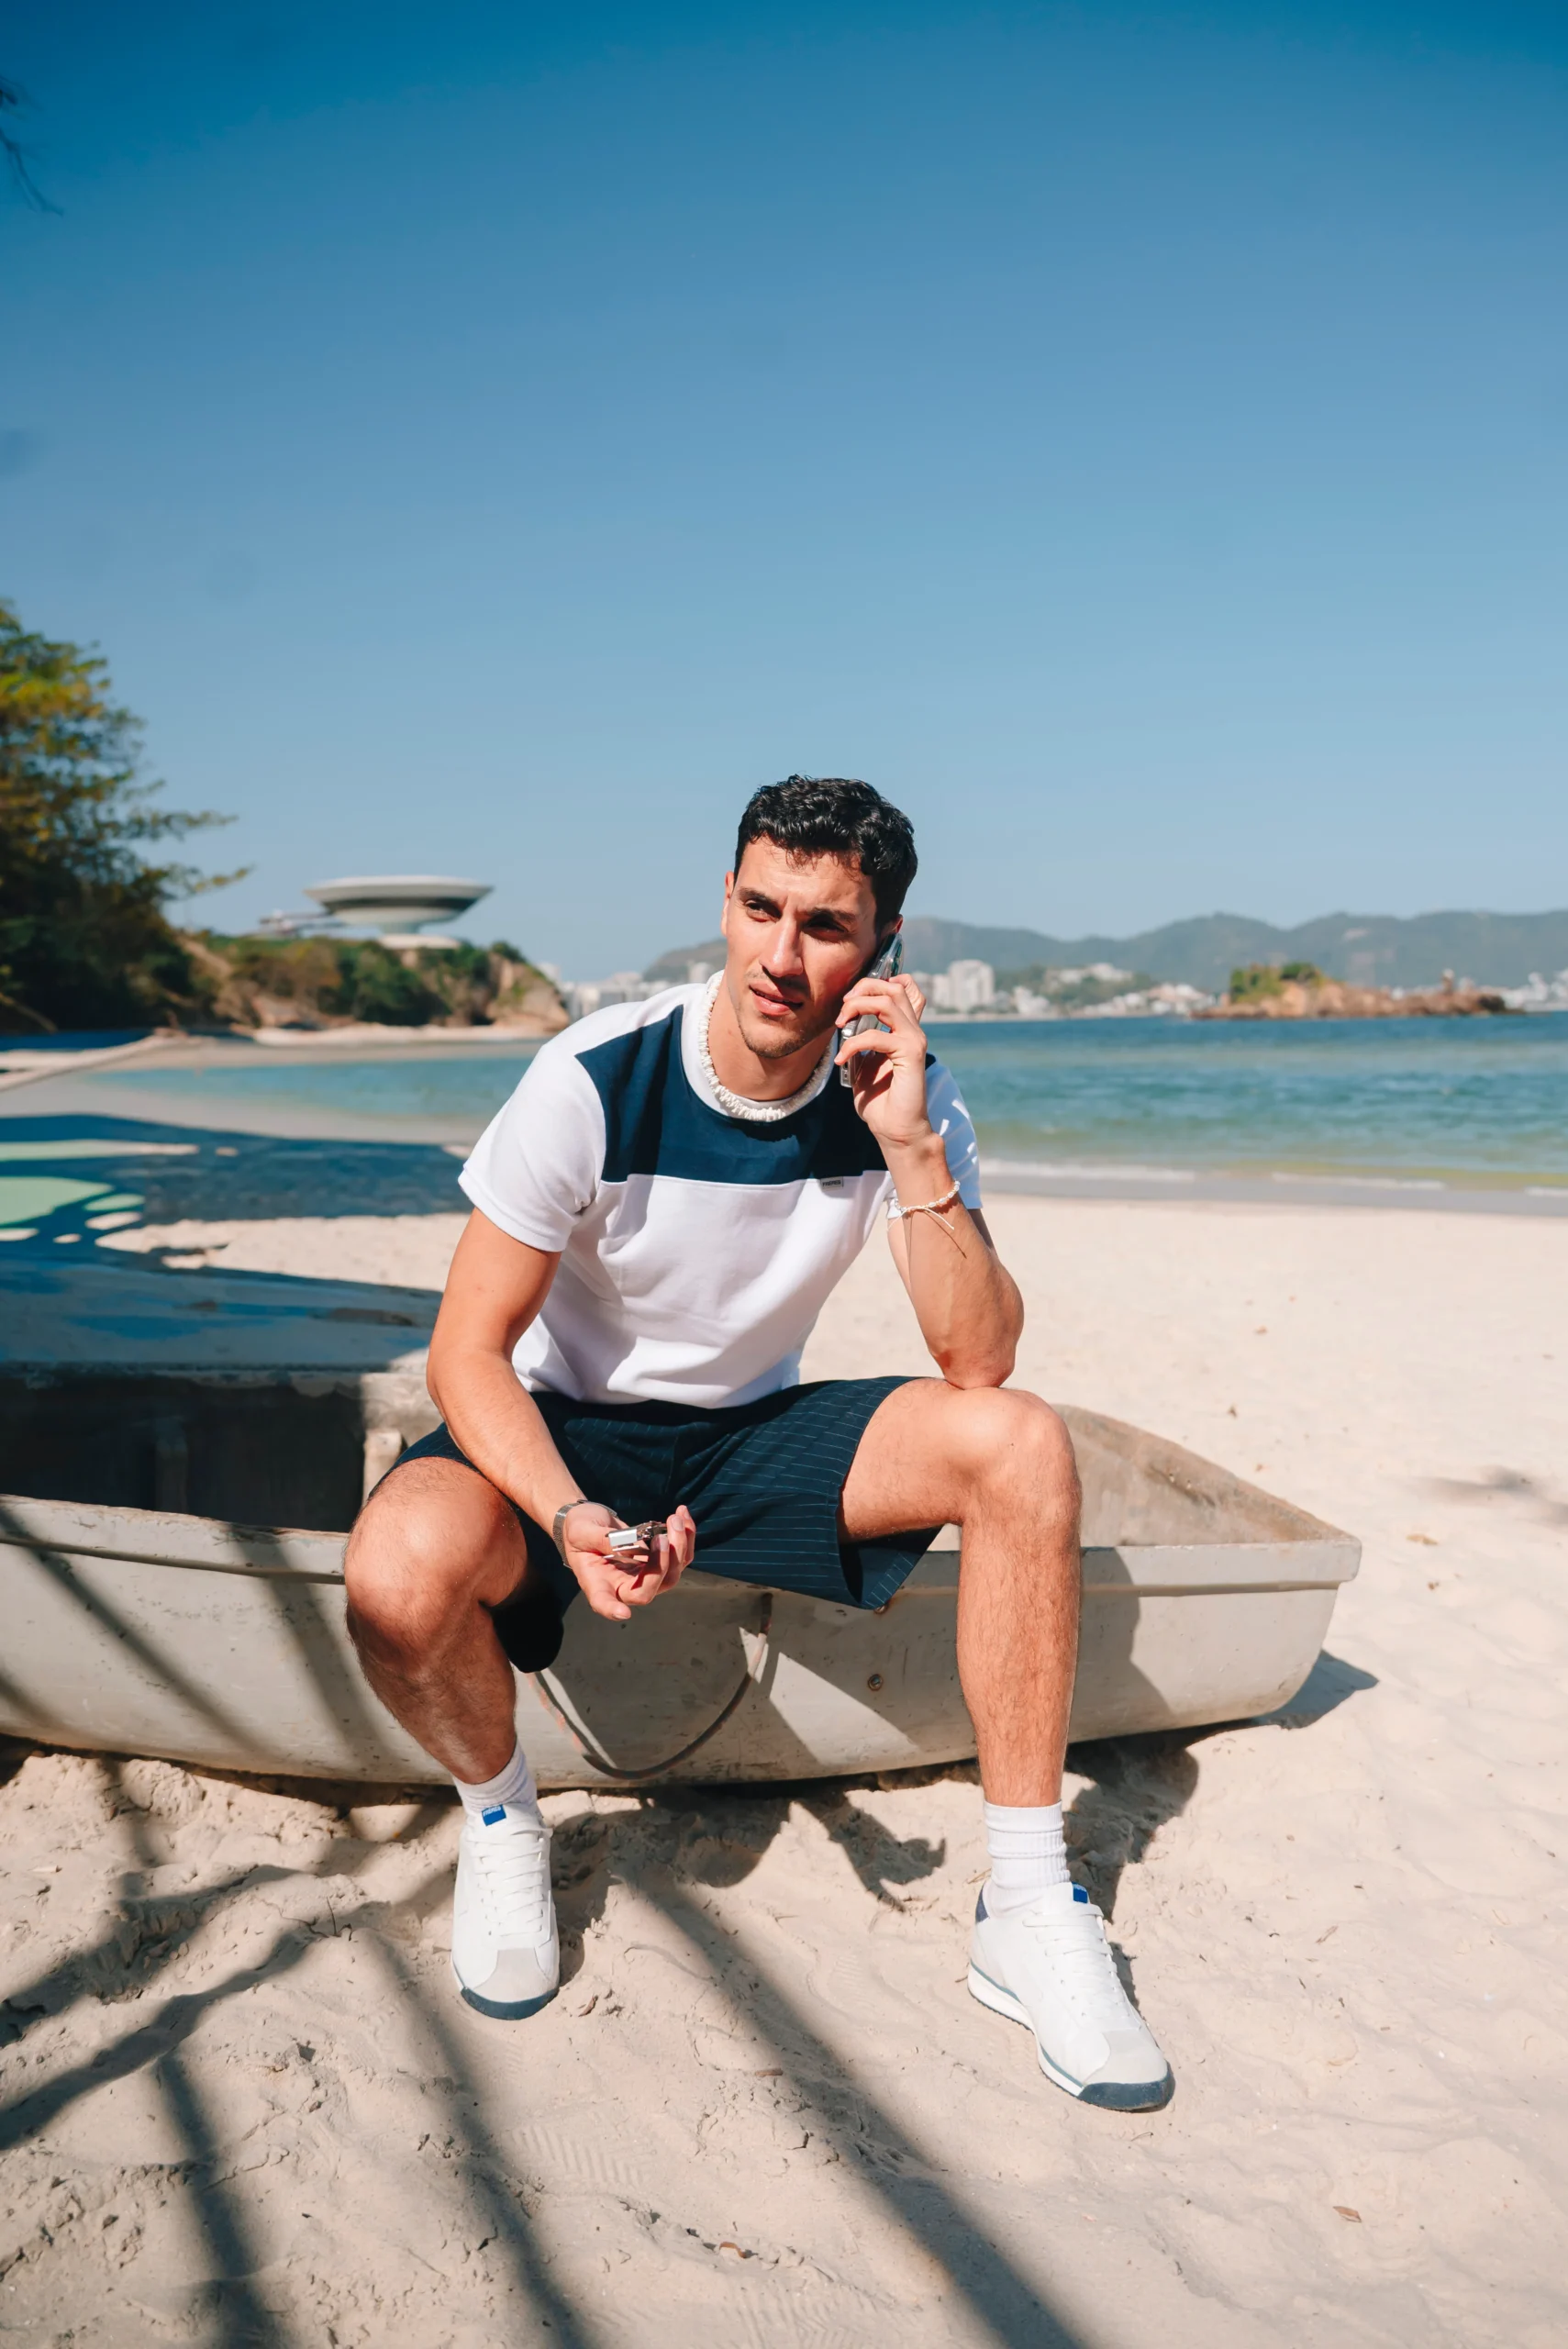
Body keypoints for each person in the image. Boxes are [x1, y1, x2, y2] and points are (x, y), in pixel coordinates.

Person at [345, 774, 1173, 2111]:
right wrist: (568, 1515)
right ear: (724, 903)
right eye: (761, 909)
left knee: (1020, 1445)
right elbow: (466, 1355)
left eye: (827, 925)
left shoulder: (903, 1096)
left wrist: (909, 1146)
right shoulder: (596, 1076)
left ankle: (1027, 1906)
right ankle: (500, 1816)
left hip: (750, 1437)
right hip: (565, 1430)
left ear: (883, 947)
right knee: (393, 1570)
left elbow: (979, 1361)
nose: (782, 956)